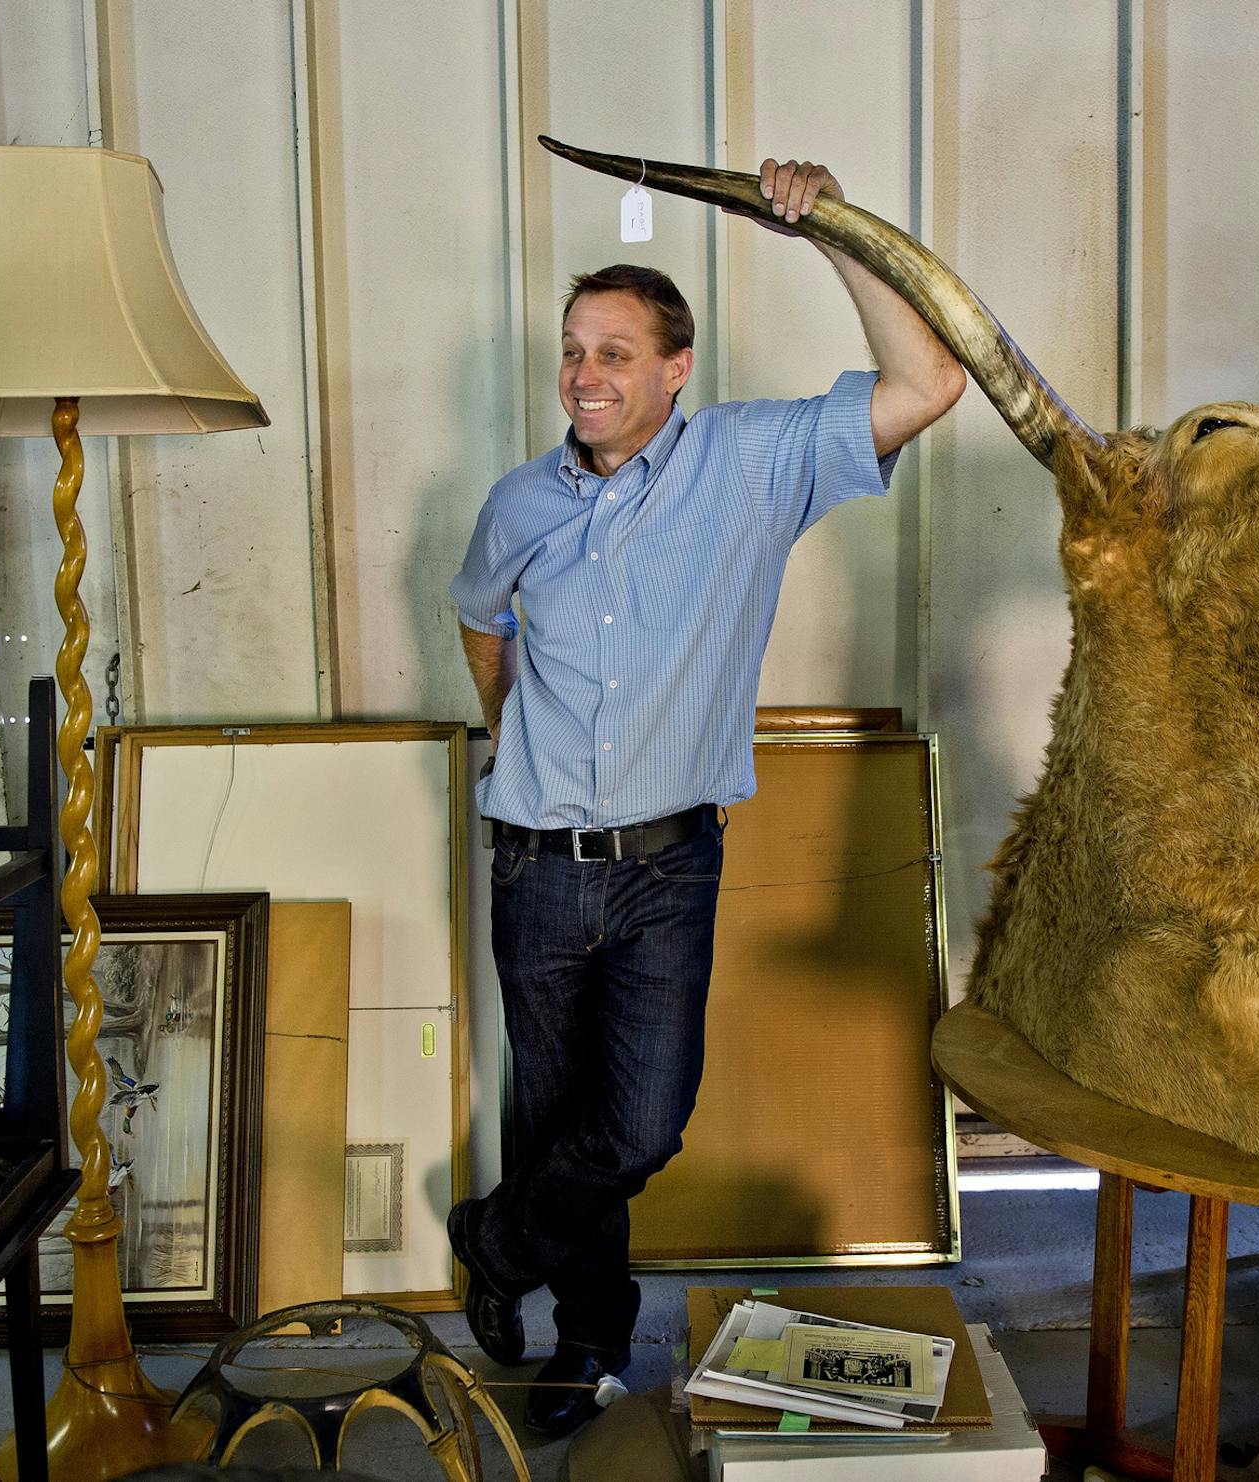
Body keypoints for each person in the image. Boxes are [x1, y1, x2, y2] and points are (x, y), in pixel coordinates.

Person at [446, 157, 965, 1437]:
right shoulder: (520, 501)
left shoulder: (750, 464)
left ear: (678, 369)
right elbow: (478, 620)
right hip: (534, 864)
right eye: (574, 351)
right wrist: (515, 737)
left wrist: (829, 227)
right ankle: (590, 1345)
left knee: (636, 1125)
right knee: (550, 1115)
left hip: (670, 865)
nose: (584, 375)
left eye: (615, 352)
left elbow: (931, 382)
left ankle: (493, 1241)